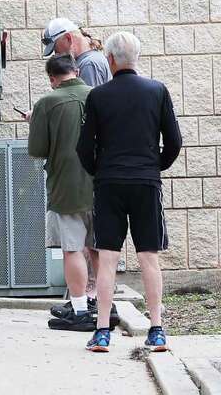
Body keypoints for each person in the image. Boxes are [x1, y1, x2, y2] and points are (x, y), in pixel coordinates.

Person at [77, 31, 182, 353]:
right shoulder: (157, 91)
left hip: (109, 183)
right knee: (149, 257)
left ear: (109, 60)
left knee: (107, 258)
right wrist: (153, 167)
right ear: (136, 57)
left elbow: (84, 147)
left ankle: (103, 332)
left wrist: (101, 171)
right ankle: (156, 330)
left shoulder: (98, 96)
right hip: (145, 183)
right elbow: (174, 142)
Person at [28, 54, 116, 332]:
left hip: (66, 186)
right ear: (76, 70)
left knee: (72, 249)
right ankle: (104, 306)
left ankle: (79, 310)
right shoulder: (100, 96)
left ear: (51, 78)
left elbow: (37, 150)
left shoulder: (46, 103)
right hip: (103, 184)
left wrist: (35, 121)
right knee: (99, 248)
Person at [42, 18, 111, 87]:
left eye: (55, 48)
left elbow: (90, 97)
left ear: (68, 38)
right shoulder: (90, 60)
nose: (56, 53)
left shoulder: (88, 64)